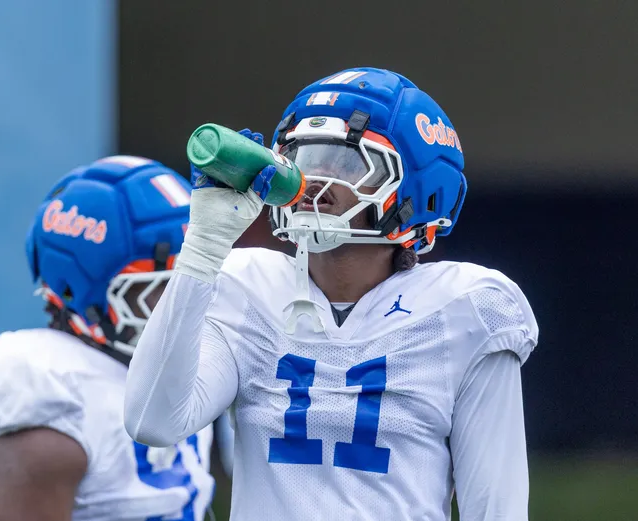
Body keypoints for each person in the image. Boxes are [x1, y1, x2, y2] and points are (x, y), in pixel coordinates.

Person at [124, 68, 539, 521]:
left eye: (344, 163)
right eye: (300, 159)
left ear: (414, 190)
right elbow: (152, 420)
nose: (311, 181)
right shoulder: (246, 284)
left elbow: (496, 509)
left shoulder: (465, 309)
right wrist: (203, 246)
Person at [0, 156, 216, 521]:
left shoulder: (174, 368)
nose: (186, 304)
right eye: (163, 288)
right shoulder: (54, 391)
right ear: (85, 292)